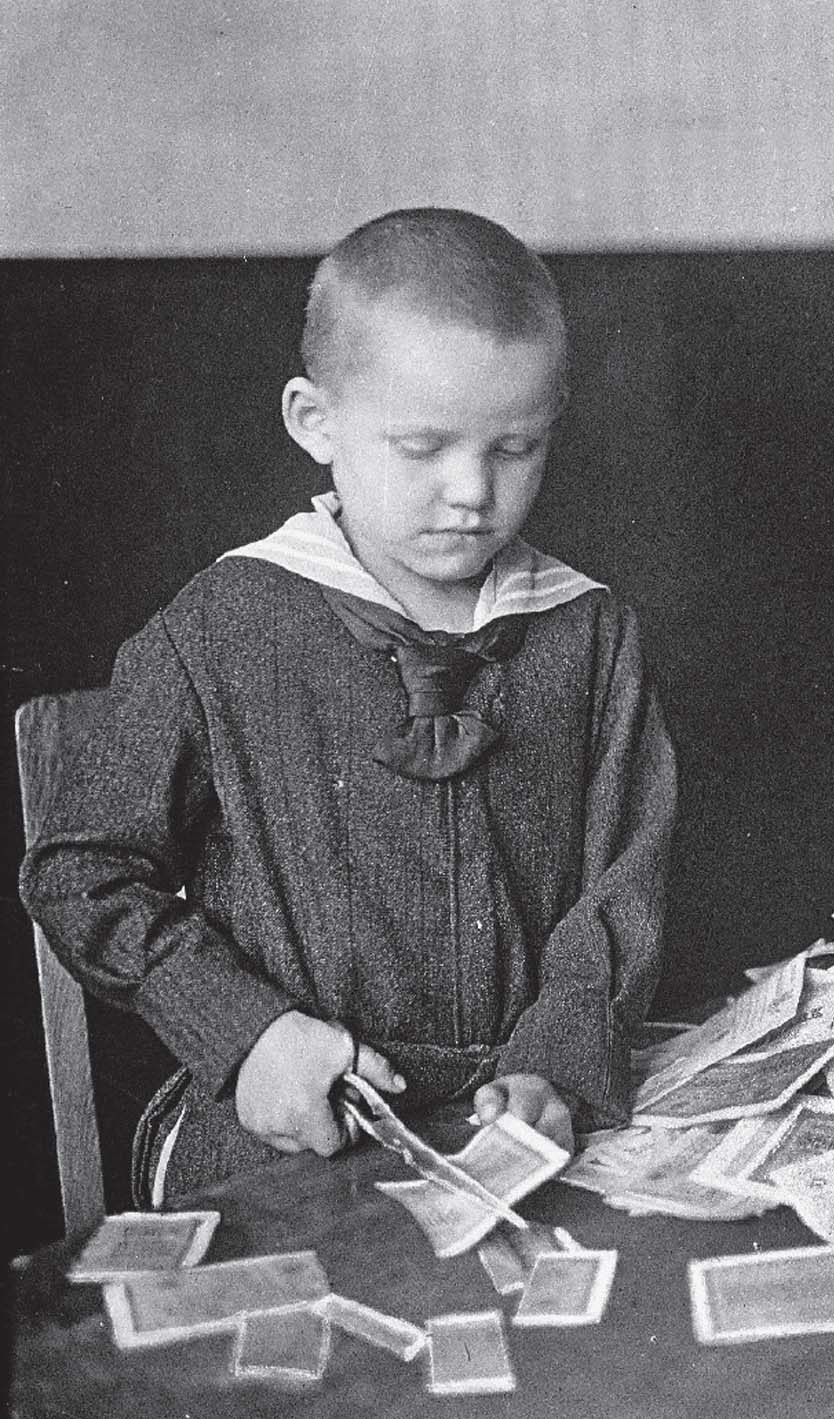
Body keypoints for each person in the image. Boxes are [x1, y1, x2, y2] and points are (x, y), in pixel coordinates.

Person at [20, 208, 675, 1200]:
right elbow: (82, 871)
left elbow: (620, 883)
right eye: (421, 446)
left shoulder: (591, 633)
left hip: (520, 1107)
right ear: (313, 421)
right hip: (286, 1119)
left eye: (516, 446)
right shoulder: (221, 626)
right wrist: (245, 1032)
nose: (471, 490)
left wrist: (557, 1061)